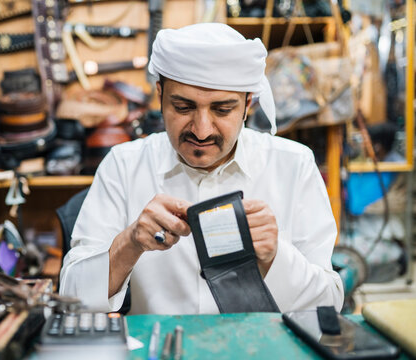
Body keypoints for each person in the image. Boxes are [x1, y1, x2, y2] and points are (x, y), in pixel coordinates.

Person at [60, 23, 344, 314]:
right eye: (183, 107)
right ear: (160, 96)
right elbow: (73, 299)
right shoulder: (123, 165)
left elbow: (328, 305)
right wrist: (129, 244)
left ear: (248, 104)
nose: (202, 130)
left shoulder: (293, 165)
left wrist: (276, 257)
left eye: (222, 110)